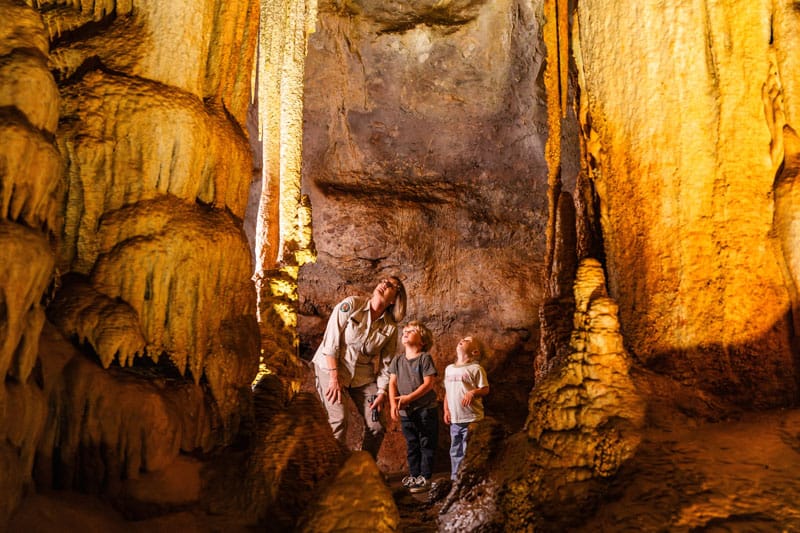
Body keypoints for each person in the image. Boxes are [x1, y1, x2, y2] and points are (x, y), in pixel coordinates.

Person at [312, 276, 407, 459]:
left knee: (377, 424)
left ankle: (363, 467)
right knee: (339, 420)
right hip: (331, 368)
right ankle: (333, 468)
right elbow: (330, 343)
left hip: (362, 377)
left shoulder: (390, 328)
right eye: (383, 281)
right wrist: (334, 377)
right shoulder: (351, 305)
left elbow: (386, 364)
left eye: (390, 285)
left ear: (394, 299)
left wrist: (381, 392)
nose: (384, 284)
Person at [388, 320, 438, 493]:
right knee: (412, 444)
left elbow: (429, 383)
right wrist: (393, 404)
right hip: (406, 412)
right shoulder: (397, 360)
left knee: (426, 443)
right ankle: (414, 475)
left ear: (422, 341)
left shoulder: (424, 358)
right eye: (405, 331)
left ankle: (425, 477)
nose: (406, 332)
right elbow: (392, 383)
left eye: (411, 331)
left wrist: (409, 398)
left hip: (425, 409)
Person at [443, 335, 490, 481]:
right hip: (455, 420)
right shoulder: (449, 369)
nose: (463, 340)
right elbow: (447, 392)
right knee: (455, 450)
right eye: (463, 339)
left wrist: (473, 392)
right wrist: (446, 410)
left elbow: (485, 389)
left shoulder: (476, 369)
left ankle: (471, 478)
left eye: (468, 340)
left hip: (472, 418)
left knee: (470, 449)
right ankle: (455, 478)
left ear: (475, 352)